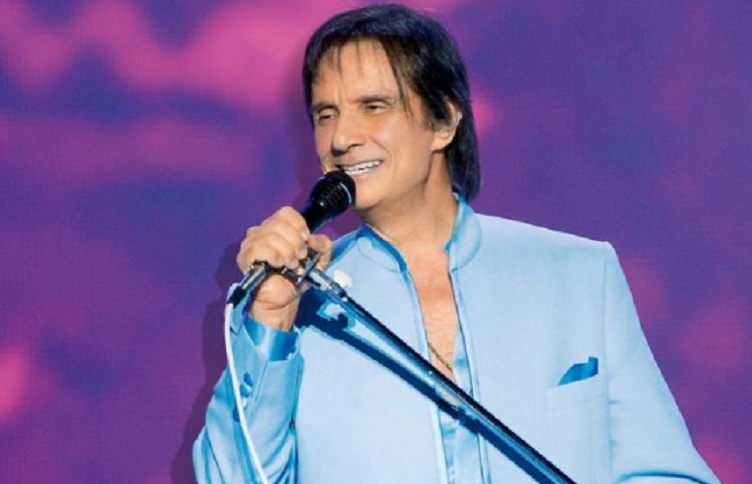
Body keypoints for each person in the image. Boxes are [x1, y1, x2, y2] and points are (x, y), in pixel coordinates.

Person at [194, 4, 718, 483]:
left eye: (373, 106)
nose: (340, 138)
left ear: (443, 120)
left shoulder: (580, 273)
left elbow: (669, 474)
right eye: (325, 114)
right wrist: (271, 318)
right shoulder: (291, 311)